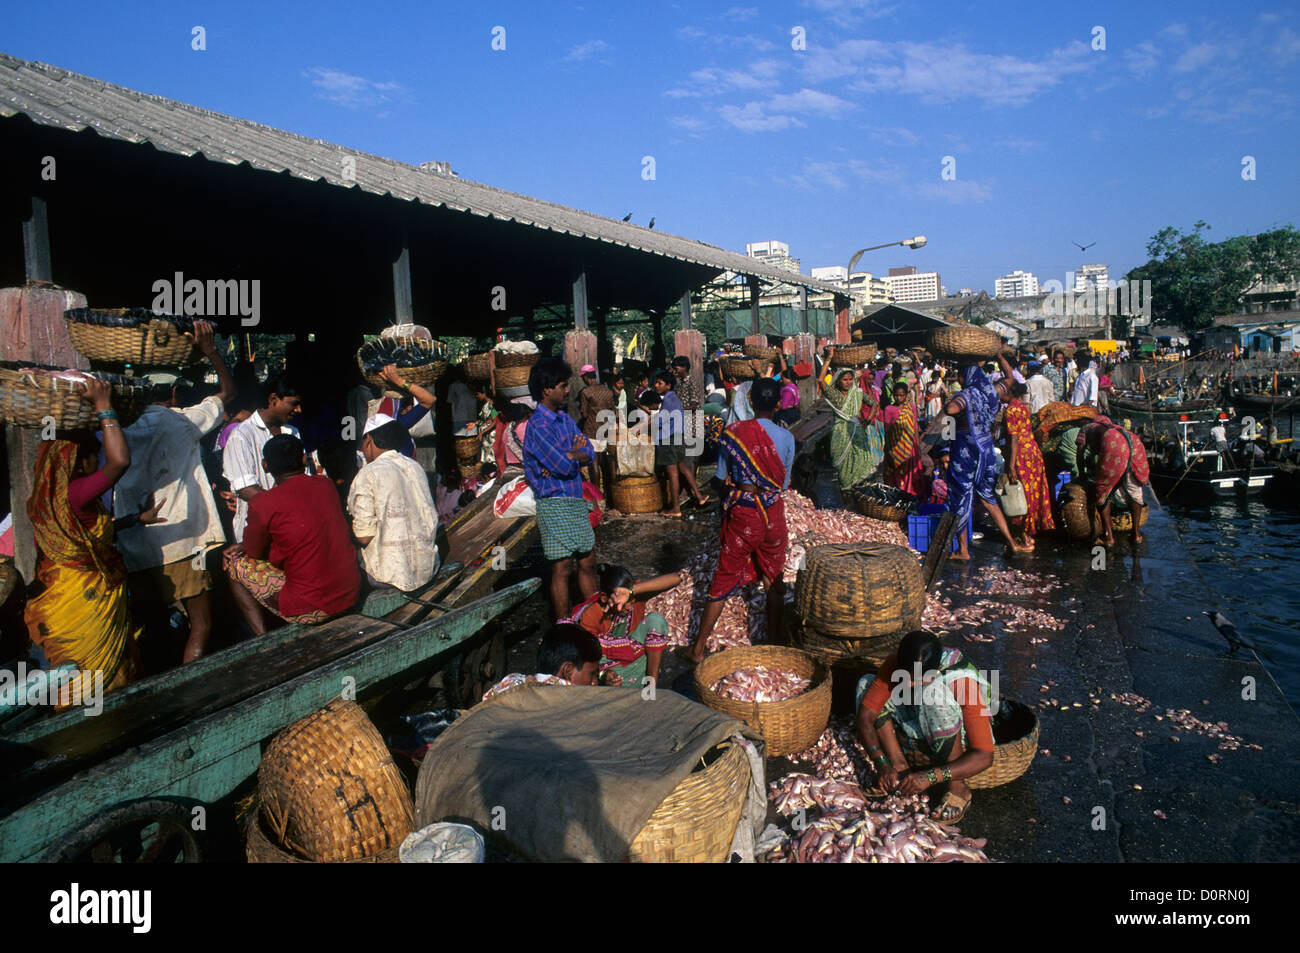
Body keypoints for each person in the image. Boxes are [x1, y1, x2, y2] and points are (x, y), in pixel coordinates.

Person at [24, 381, 164, 705]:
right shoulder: (76, 493)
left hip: (60, 599)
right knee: (97, 685)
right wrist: (104, 405)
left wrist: (133, 521)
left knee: (77, 685)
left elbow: (84, 539)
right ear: (79, 461)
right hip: (83, 602)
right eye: (92, 455)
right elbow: (120, 462)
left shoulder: (48, 501)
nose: (97, 462)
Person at [115, 320, 236, 663]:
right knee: (201, 625)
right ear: (173, 393)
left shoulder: (119, 427)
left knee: (147, 625)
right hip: (182, 541)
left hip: (134, 542)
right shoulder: (182, 421)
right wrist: (211, 352)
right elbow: (227, 393)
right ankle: (189, 692)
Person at [689, 379, 794, 662]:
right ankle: (775, 642)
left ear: (749, 402)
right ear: (777, 405)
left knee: (723, 578)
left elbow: (721, 477)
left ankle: (697, 648)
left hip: (744, 513)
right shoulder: (787, 437)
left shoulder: (733, 433)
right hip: (772, 512)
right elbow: (784, 483)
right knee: (773, 577)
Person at [224, 434, 361, 636]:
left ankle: (262, 639)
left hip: (312, 608)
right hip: (350, 594)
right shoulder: (326, 485)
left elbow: (253, 553)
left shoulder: (263, 503)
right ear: (304, 459)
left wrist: (246, 545)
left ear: (265, 466)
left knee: (234, 564)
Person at [855, 631, 994, 825]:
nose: (911, 685)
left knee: (933, 694)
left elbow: (985, 755)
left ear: (936, 669)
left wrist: (930, 776)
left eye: (919, 680)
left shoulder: (962, 682)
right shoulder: (897, 664)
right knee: (865, 684)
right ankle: (900, 767)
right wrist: (882, 763)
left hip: (951, 731)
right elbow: (865, 716)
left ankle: (957, 787)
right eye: (907, 679)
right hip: (915, 721)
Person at [922, 364, 1032, 560]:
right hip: (986, 448)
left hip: (966, 448)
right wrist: (999, 355)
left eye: (961, 377)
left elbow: (950, 408)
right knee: (988, 497)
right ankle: (1012, 542)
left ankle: (962, 550)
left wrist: (957, 399)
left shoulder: (969, 393)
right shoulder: (991, 392)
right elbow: (1009, 379)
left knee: (960, 495)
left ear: (967, 377)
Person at [523, 357, 597, 620]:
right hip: (553, 502)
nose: (567, 391)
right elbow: (564, 465)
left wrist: (573, 455)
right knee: (563, 567)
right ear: (547, 390)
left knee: (587, 561)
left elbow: (589, 451)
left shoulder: (564, 418)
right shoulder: (539, 426)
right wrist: (575, 456)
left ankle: (595, 621)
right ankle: (565, 624)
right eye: (563, 386)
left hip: (574, 499)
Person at [348, 416, 440, 592]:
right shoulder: (415, 467)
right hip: (427, 570)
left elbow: (364, 536)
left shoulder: (367, 474)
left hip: (388, 577)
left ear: (368, 439)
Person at [568, 564, 680, 688]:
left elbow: (676, 578)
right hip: (605, 664)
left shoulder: (633, 595)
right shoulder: (591, 615)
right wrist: (604, 674)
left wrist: (631, 591)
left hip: (631, 653)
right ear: (605, 598)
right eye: (625, 603)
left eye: (631, 601)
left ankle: (650, 687)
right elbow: (587, 658)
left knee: (656, 621)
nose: (629, 607)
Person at [222, 376, 304, 543]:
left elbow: (303, 479)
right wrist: (286, 512)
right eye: (294, 404)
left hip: (293, 529)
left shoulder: (293, 432)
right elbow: (246, 489)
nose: (298, 410)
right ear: (273, 399)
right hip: (258, 535)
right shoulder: (241, 436)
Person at [996, 354, 1055, 546]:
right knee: (1033, 492)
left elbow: (1013, 438)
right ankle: (1030, 533)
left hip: (1021, 454)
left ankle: (1025, 536)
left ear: (1009, 391)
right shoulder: (1023, 407)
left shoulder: (1011, 410)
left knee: (1021, 494)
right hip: (1033, 452)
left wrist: (1011, 465)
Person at [482, 622, 604, 700]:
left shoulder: (511, 681)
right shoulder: (572, 698)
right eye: (592, 674)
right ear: (568, 670)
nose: (594, 683)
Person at [1076, 417, 1150, 546]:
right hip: (1134, 442)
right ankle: (1136, 534)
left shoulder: (1086, 428)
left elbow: (1080, 451)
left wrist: (1081, 473)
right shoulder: (1116, 428)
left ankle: (1108, 536)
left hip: (1114, 445)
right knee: (1134, 490)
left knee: (1102, 490)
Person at [653, 370, 709, 516]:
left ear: (668, 385)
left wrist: (650, 421)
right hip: (680, 437)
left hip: (669, 439)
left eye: (660, 383)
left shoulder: (667, 400)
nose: (656, 385)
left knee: (672, 474)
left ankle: (676, 509)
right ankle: (699, 496)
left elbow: (661, 420)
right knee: (684, 468)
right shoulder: (676, 399)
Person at [825, 368, 884, 490]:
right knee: (842, 466)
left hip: (857, 432)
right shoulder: (835, 394)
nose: (848, 382)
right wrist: (828, 359)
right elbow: (820, 380)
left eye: (850, 379)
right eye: (844, 379)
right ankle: (845, 491)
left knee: (861, 461)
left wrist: (867, 421)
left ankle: (857, 491)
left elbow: (874, 404)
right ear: (838, 381)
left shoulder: (858, 393)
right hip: (840, 433)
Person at [883, 380, 927, 498]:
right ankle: (899, 495)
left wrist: (918, 447)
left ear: (906, 395)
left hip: (910, 446)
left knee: (910, 472)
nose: (899, 398)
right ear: (893, 395)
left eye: (902, 395)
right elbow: (887, 431)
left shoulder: (911, 408)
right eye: (896, 395)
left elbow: (915, 428)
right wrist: (888, 449)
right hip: (896, 445)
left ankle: (910, 494)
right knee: (897, 472)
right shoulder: (889, 409)